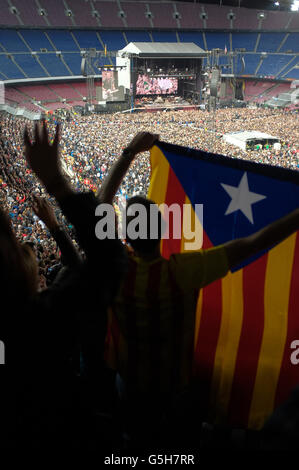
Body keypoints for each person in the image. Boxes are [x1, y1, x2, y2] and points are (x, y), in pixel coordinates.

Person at [100, 131, 299, 450]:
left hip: (130, 384)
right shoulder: (183, 272)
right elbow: (253, 243)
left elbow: (101, 204)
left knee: (135, 440)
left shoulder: (115, 267)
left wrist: (130, 152)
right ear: (163, 230)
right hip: (174, 390)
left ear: (125, 233)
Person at [0, 121, 126, 449]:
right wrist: (56, 185)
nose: (27, 247)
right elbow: (107, 259)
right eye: (16, 243)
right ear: (12, 267)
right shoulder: (38, 324)